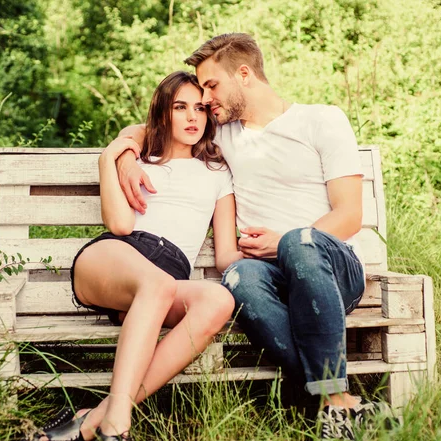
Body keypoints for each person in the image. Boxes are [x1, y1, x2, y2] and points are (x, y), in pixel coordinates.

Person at [115, 33, 393, 440]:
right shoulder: (223, 133)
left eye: (211, 86)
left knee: (301, 243)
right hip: (267, 277)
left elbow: (350, 214)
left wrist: (285, 241)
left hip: (331, 268)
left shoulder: (322, 120)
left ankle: (334, 400)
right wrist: (121, 152)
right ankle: (340, 408)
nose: (206, 99)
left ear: (243, 74)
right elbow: (149, 127)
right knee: (238, 278)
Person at [36, 71, 241, 441]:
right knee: (158, 284)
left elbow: (226, 253)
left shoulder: (217, 173)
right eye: (180, 107)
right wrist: (112, 159)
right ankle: (117, 429)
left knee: (218, 299)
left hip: (166, 277)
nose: (193, 117)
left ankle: (96, 417)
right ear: (163, 113)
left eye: (200, 108)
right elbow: (118, 223)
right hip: (115, 257)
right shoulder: (140, 158)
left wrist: (264, 258)